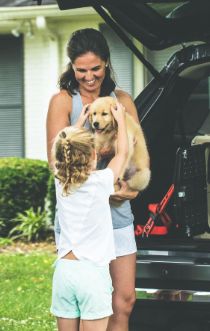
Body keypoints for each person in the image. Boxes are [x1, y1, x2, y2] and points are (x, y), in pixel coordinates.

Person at [47, 28, 142, 331]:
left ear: (107, 63)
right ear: (71, 68)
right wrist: (110, 150)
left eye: (96, 69)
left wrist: (132, 189)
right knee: (83, 302)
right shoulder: (63, 102)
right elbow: (57, 161)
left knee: (123, 301)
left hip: (117, 214)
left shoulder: (121, 99)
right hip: (82, 221)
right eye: (81, 70)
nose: (89, 77)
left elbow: (138, 147)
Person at [51, 100, 129, 331]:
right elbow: (123, 152)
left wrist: (78, 124)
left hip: (64, 272)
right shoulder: (100, 181)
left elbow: (65, 146)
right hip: (92, 273)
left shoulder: (60, 180)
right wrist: (121, 120)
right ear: (94, 155)